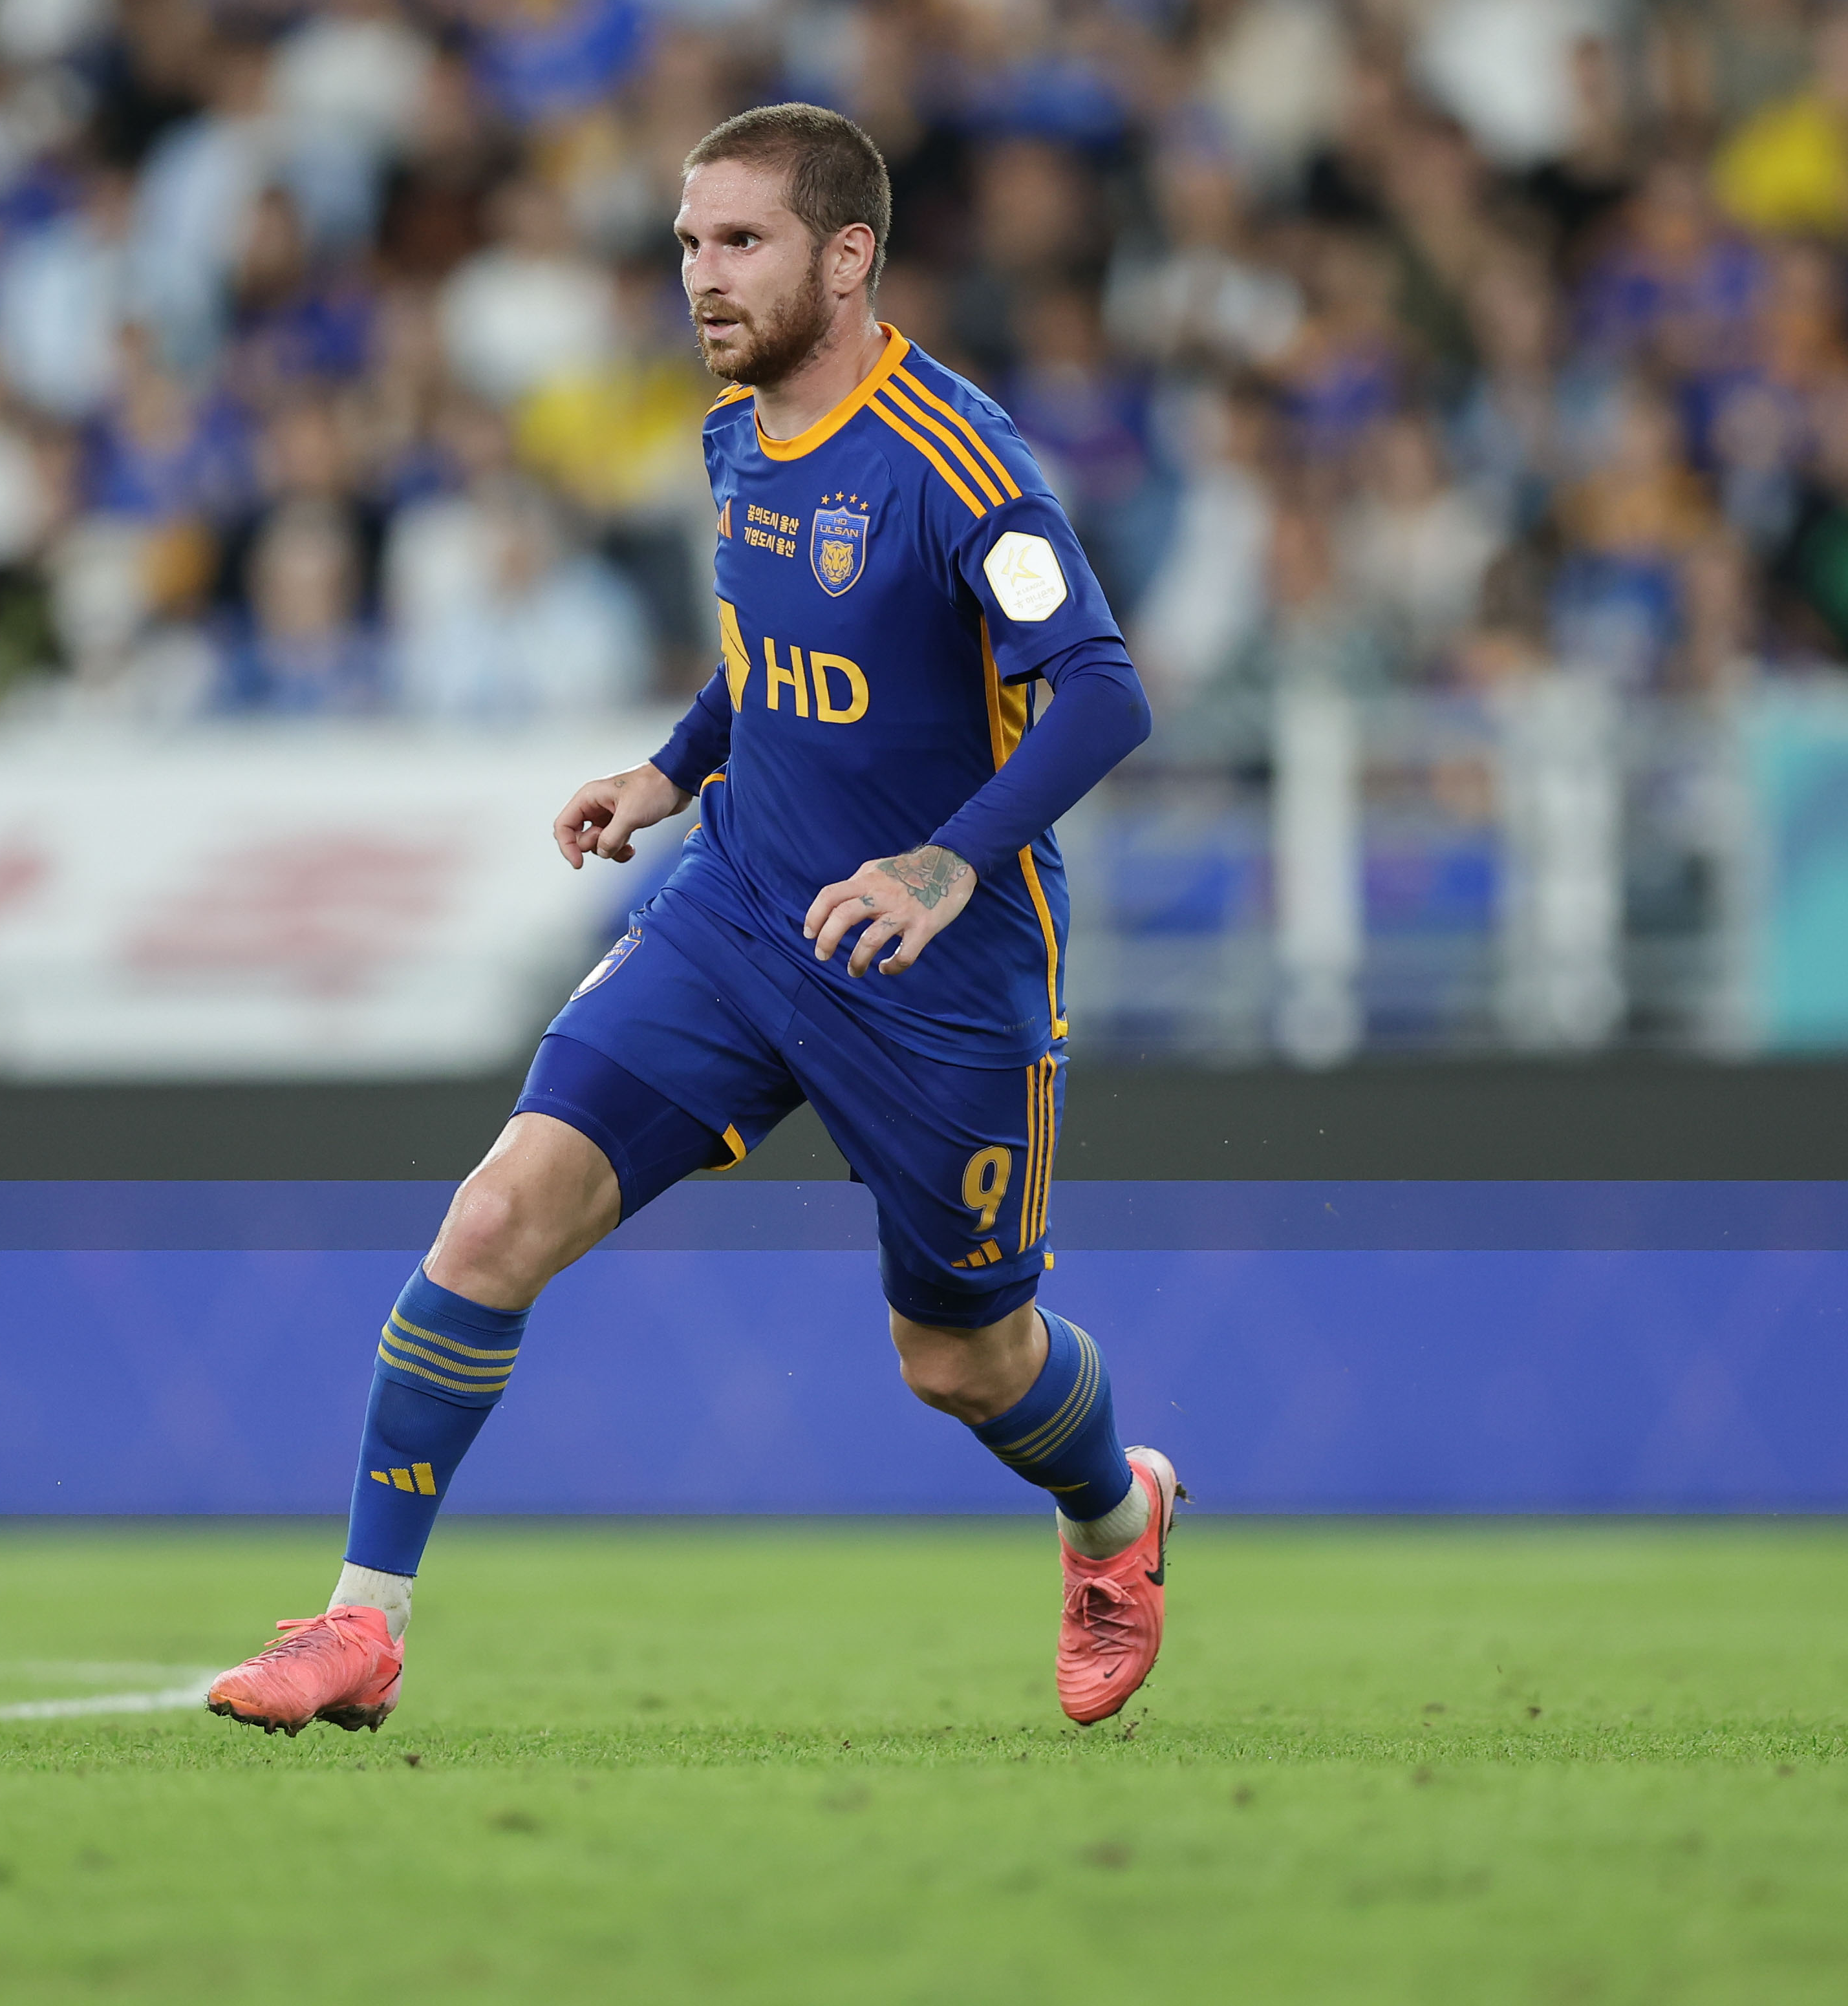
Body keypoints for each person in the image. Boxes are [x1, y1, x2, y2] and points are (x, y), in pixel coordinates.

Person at [204, 105, 1174, 1738]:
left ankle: (1112, 1514)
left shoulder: (960, 461)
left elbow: (1101, 693)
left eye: (740, 243)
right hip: (735, 911)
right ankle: (362, 1623)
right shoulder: (734, 435)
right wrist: (670, 770)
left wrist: (943, 866)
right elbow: (768, 658)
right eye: (687, 244)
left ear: (847, 257)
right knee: (492, 1221)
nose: (701, 277)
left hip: (935, 965)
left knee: (959, 1359)